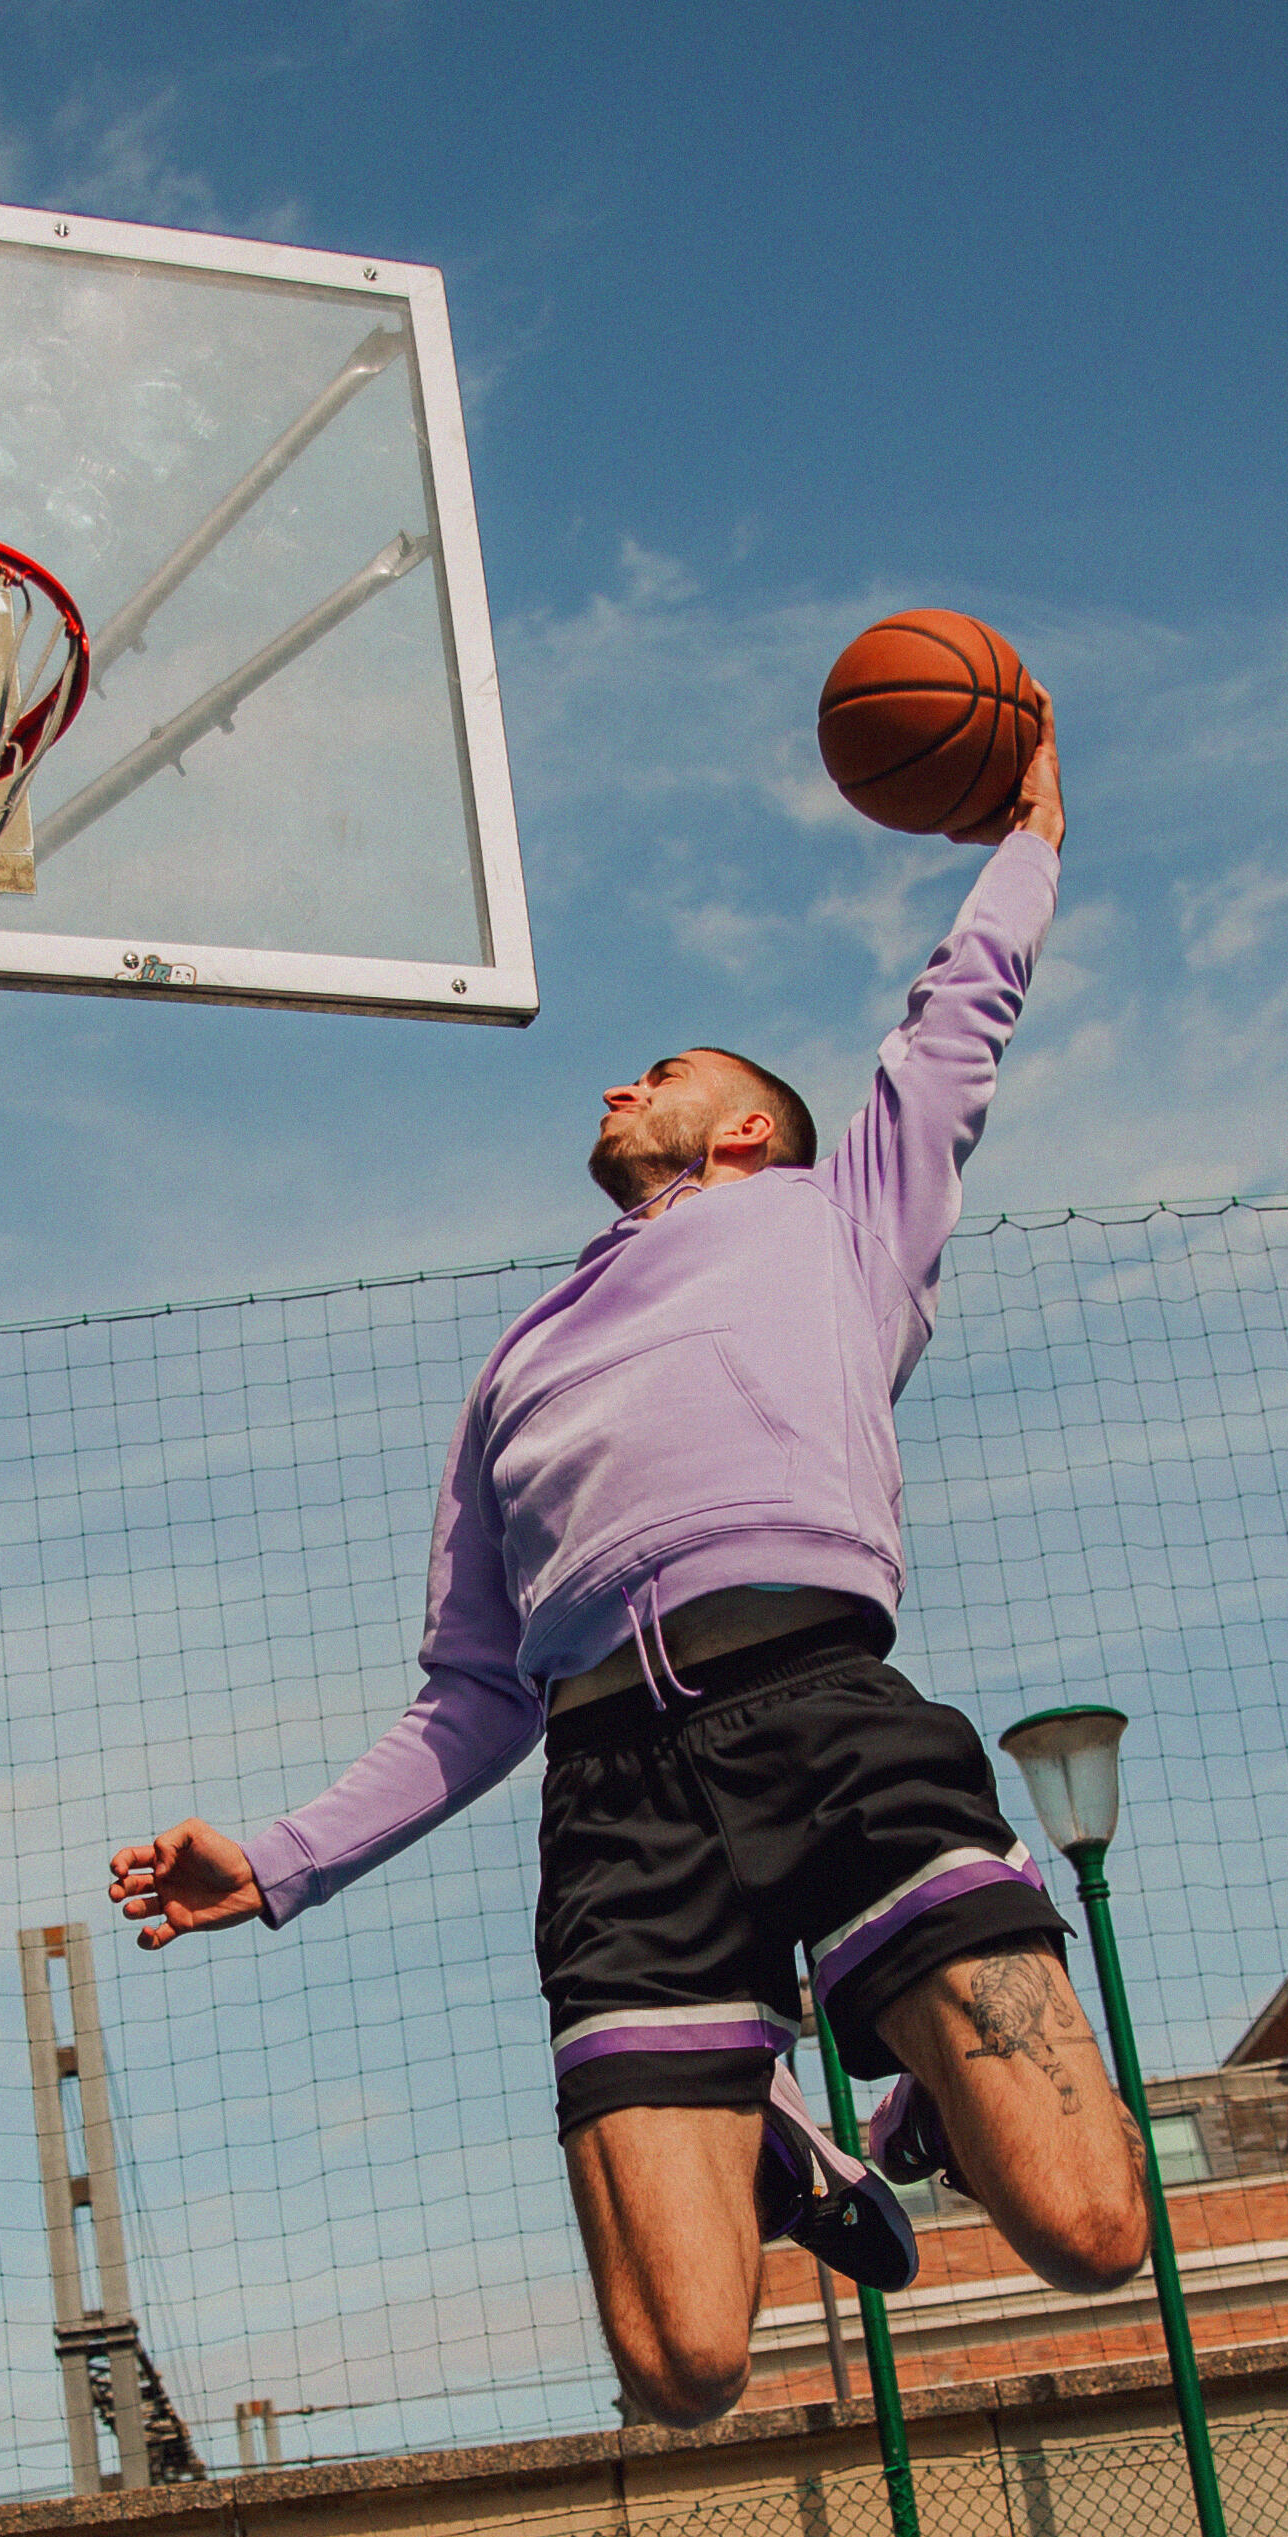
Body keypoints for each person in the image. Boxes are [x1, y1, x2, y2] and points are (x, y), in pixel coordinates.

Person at [107, 705, 1145, 2427]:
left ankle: (907, 2083)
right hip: (613, 1801)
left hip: (827, 1714)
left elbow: (954, 1028)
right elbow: (468, 1697)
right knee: (681, 2367)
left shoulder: (839, 1219)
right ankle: (779, 2133)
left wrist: (1024, 839)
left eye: (657, 1073)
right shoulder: (514, 1360)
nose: (615, 1086)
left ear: (745, 1133)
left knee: (1096, 2227)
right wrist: (281, 1857)